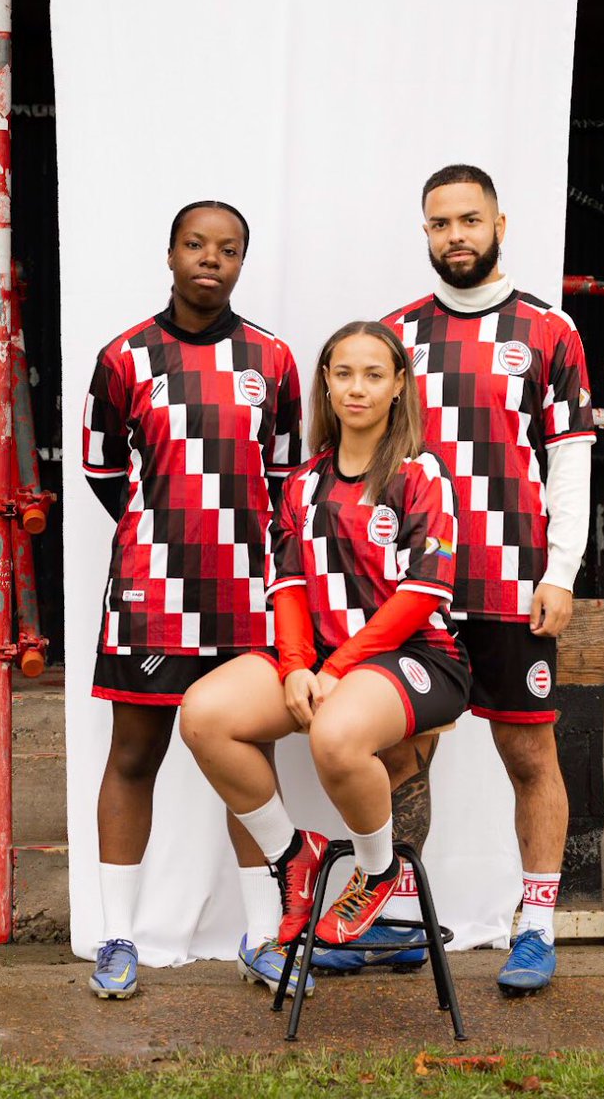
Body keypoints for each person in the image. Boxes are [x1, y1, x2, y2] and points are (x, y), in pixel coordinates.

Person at [318, 164, 596, 995]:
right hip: (415, 587)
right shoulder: (397, 334)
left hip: (511, 581)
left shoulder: (548, 331)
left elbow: (569, 458)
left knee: (527, 749)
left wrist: (561, 570)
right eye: (440, 223)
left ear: (499, 224)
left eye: (469, 220)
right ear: (425, 232)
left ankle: (534, 927)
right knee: (402, 748)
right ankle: (400, 918)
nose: (455, 236)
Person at [180, 321, 470, 958]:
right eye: (344, 374)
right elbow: (288, 586)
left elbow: (422, 594)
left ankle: (376, 871)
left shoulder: (422, 473)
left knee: (334, 735)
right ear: (327, 385)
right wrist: (294, 667)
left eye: (373, 374)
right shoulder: (302, 483)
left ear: (399, 386)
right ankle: (292, 854)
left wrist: (336, 669)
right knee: (203, 715)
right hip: (320, 657)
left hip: (418, 656)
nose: (357, 388)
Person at [82, 200, 302, 999]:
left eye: (228, 248)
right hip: (152, 593)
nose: (211, 258)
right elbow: (103, 471)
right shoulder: (124, 357)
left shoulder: (271, 359)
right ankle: (116, 936)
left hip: (246, 593)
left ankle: (264, 937)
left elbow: (285, 479)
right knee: (134, 755)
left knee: (249, 758)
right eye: (196, 244)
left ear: (242, 261)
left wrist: (233, 541)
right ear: (171, 254)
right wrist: (165, 532)